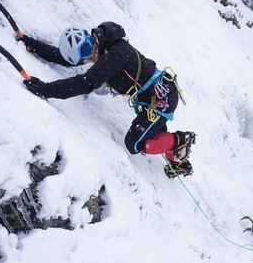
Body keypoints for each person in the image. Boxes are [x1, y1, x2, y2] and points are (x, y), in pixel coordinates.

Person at [17, 22, 196, 178]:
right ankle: (179, 162)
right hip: (150, 98)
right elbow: (66, 59)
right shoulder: (100, 45)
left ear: (88, 49)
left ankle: (182, 139)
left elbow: (85, 83)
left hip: (161, 99)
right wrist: (34, 45)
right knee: (153, 133)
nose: (87, 63)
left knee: (135, 144)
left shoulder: (115, 54)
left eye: (86, 60)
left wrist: (45, 89)